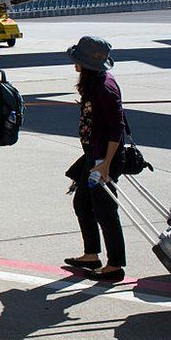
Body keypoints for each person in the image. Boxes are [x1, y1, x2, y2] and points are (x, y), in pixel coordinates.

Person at [64, 36, 128, 282]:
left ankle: (115, 266)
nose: (74, 64)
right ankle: (91, 254)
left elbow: (116, 128)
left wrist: (106, 165)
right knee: (82, 204)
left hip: (104, 158)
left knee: (106, 211)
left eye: (78, 60)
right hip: (93, 154)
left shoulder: (104, 88)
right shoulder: (94, 83)